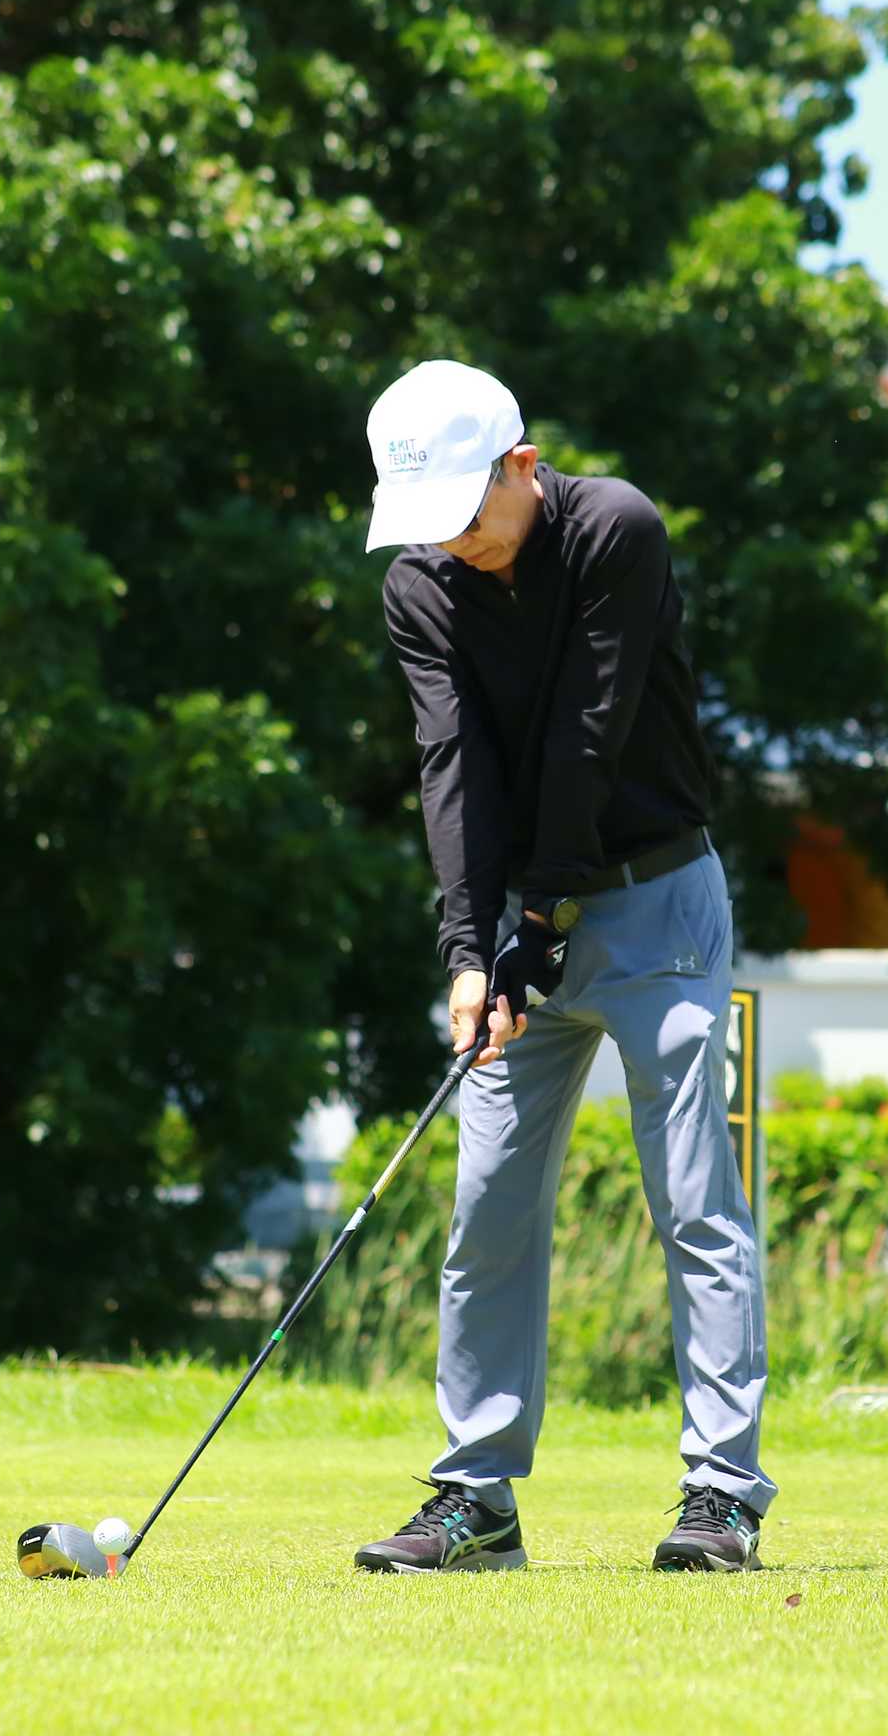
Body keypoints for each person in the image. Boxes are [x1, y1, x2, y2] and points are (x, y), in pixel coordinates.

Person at [352, 358, 773, 1575]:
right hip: (522, 927)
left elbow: (591, 731)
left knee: (695, 1199)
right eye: (429, 521)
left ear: (522, 468)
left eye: (466, 514)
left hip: (658, 906)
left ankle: (723, 1494)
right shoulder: (422, 584)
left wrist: (537, 919)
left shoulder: (614, 531)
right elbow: (452, 767)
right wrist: (470, 951)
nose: (453, 543)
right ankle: (476, 1497)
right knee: (487, 1203)